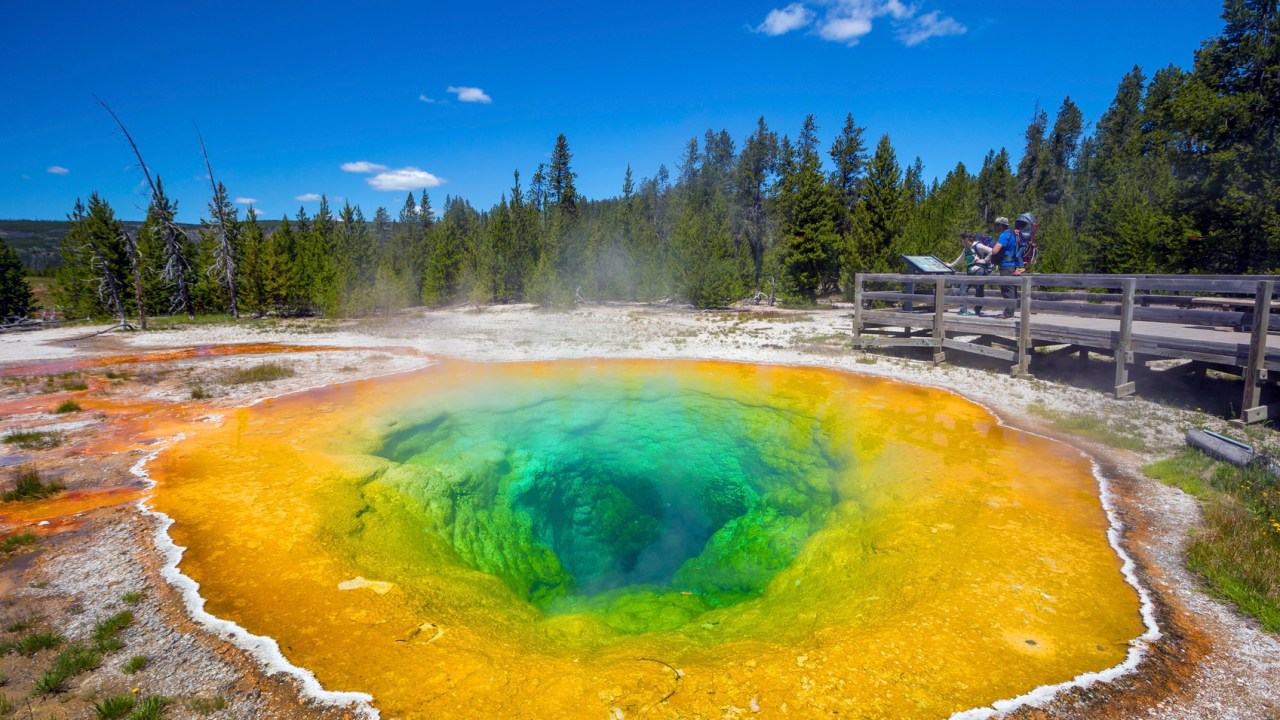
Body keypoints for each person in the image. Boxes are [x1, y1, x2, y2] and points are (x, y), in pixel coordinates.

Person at [945, 233, 991, 315]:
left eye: (961, 240)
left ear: (965, 240)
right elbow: (958, 260)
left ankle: (976, 310)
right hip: (971, 272)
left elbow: (991, 250)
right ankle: (964, 310)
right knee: (964, 287)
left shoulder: (978, 246)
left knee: (979, 290)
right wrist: (949, 265)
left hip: (979, 270)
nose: (961, 242)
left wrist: (984, 261)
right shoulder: (965, 249)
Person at [988, 217, 1021, 318]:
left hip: (1006, 265)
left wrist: (990, 252)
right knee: (1011, 289)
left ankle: (1008, 313)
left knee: (1007, 289)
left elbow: (995, 250)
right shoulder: (1013, 234)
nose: (995, 227)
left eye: (997, 225)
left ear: (1001, 225)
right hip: (1013, 265)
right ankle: (1010, 311)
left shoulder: (1005, 235)